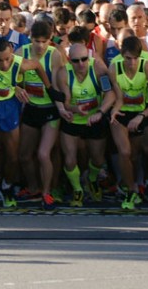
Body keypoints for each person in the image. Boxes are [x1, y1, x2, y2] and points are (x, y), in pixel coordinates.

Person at [0, 36, 52, 206]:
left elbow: (37, 65)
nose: (4, 64)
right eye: (0, 60)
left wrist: (50, 89)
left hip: (9, 105)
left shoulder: (19, 63)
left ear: (11, 54)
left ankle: (7, 185)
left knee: (13, 155)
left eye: (7, 59)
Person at [56, 43, 116, 207]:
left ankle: (91, 180)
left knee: (97, 160)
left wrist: (100, 113)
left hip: (94, 119)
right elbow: (66, 101)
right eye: (76, 61)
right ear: (69, 60)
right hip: (73, 120)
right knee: (69, 159)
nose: (81, 64)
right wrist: (74, 109)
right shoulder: (64, 73)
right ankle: (77, 189)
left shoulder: (98, 70)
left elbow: (110, 95)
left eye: (84, 59)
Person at [109, 36, 148, 210]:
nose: (132, 62)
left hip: (140, 113)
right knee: (124, 152)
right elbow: (117, 96)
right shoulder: (114, 68)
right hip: (122, 113)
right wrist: (114, 109)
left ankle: (138, 183)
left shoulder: (146, 66)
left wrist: (141, 116)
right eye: (128, 58)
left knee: (138, 153)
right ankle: (130, 190)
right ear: (121, 55)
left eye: (135, 58)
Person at [18, 20, 68, 208]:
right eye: (36, 41)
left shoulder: (54, 55)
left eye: (44, 41)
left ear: (49, 40)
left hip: (50, 111)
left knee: (43, 154)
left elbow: (55, 86)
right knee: (23, 155)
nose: (40, 46)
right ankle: (33, 187)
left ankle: (46, 192)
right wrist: (16, 87)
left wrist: (61, 108)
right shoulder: (21, 52)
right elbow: (7, 74)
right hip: (31, 109)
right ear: (30, 39)